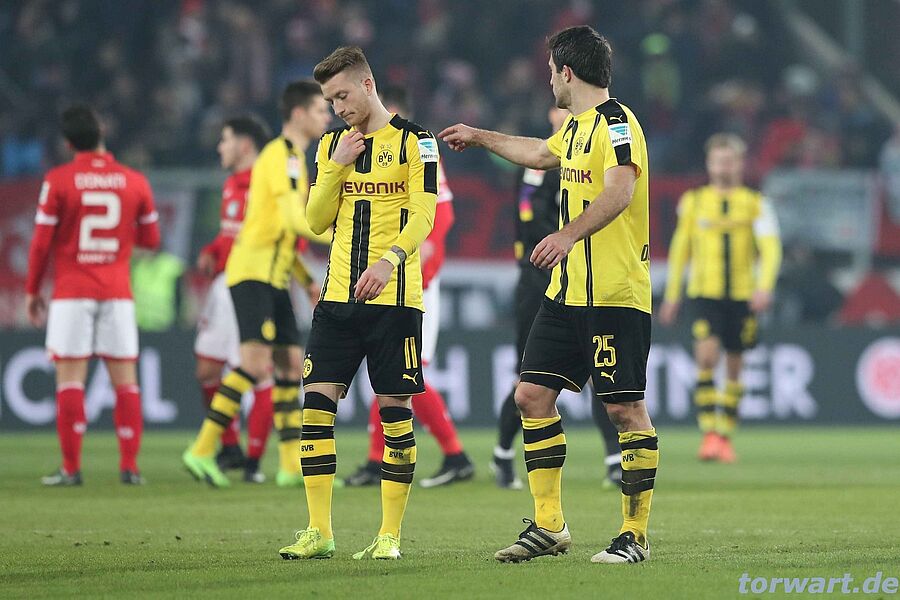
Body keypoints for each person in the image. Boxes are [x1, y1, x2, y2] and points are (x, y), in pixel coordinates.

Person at [440, 25, 657, 564]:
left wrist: (567, 234)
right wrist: (480, 135)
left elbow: (620, 190)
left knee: (625, 409)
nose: (549, 82)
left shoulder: (618, 123)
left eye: (551, 72)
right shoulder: (575, 128)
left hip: (614, 294)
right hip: (565, 295)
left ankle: (634, 535)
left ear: (567, 72)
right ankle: (549, 526)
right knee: (530, 397)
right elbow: (540, 153)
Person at [278, 46, 437, 561]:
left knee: (395, 416)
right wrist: (336, 167)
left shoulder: (417, 141)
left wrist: (389, 261)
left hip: (395, 300)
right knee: (315, 410)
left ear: (368, 85)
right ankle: (318, 531)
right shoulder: (331, 145)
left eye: (343, 95)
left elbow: (425, 215)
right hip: (337, 301)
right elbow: (315, 220)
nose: (337, 108)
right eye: (329, 100)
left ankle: (389, 535)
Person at [182, 81, 330, 488]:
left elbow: (281, 230)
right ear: (298, 114)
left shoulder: (293, 157)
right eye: (320, 110)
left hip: (275, 275)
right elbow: (293, 219)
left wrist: (306, 279)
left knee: (289, 364)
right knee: (252, 363)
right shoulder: (280, 155)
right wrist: (340, 234)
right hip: (252, 273)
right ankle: (202, 449)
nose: (327, 116)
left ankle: (289, 465)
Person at [343, 84, 474, 489]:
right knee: (388, 372)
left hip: (415, 282)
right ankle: (432, 457)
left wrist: (424, 261)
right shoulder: (363, 154)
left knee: (405, 374)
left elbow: (442, 217)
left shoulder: (420, 149)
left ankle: (449, 455)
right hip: (384, 280)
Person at [26, 104, 160, 486]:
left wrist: (32, 290)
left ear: (68, 143)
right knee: (126, 381)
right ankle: (130, 468)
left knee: (70, 379)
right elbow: (151, 240)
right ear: (102, 133)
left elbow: (40, 244)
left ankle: (71, 469)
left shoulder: (58, 180)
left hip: (72, 292)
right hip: (117, 291)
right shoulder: (134, 181)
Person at [490, 106, 622, 492]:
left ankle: (614, 460)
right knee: (530, 378)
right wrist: (564, 240)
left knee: (601, 371)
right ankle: (502, 453)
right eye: (562, 111)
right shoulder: (541, 164)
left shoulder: (589, 160)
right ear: (551, 116)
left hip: (582, 276)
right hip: (541, 277)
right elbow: (530, 215)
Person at [659, 133, 782, 463]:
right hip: (705, 294)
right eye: (718, 161)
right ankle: (709, 433)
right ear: (709, 164)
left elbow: (771, 249)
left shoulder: (756, 203)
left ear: (739, 164)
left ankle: (725, 435)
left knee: (735, 367)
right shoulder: (694, 201)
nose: (723, 167)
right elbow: (680, 250)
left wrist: (764, 287)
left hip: (742, 296)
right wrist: (672, 295)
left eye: (729, 160)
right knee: (706, 357)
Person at [193, 116, 276, 482]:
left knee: (258, 372)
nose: (219, 147)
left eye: (225, 140)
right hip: (224, 284)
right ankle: (230, 448)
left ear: (244, 145)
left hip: (253, 283)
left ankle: (253, 462)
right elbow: (231, 234)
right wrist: (213, 249)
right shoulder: (231, 184)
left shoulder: (266, 182)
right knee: (207, 370)